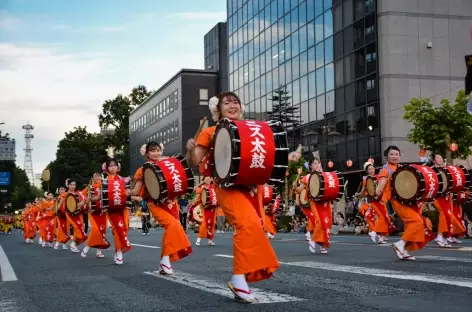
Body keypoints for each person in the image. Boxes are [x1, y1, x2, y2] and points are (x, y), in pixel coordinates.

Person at [185, 91, 301, 303]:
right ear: (218, 110)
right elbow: (194, 163)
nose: (232, 105)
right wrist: (191, 150)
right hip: (227, 187)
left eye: (235, 102)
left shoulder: (252, 129)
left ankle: (241, 276)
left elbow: (266, 154)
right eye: (226, 103)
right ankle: (239, 279)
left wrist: (289, 158)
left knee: (255, 226)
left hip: (251, 187)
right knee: (247, 224)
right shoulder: (210, 132)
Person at [128, 141, 192, 274]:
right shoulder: (142, 170)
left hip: (171, 203)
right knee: (173, 225)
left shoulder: (167, 164)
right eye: (152, 150)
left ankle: (164, 260)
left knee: (171, 229)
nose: (156, 153)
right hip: (155, 203)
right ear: (147, 153)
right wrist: (125, 192)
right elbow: (135, 191)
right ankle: (165, 260)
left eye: (158, 150)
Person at [376, 146, 434, 260]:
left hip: (407, 200)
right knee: (416, 222)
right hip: (397, 201)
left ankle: (406, 250)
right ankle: (401, 244)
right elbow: (379, 189)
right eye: (392, 154)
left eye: (396, 154)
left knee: (418, 223)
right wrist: (378, 193)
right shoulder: (385, 169)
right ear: (387, 156)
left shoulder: (400, 168)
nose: (394, 156)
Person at [81, 172, 110, 259]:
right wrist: (79, 205)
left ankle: (99, 251)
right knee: (95, 230)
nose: (97, 177)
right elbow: (85, 199)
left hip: (102, 212)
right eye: (95, 176)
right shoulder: (89, 187)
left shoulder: (105, 185)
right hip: (93, 212)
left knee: (102, 232)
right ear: (92, 178)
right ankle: (86, 248)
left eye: (98, 176)